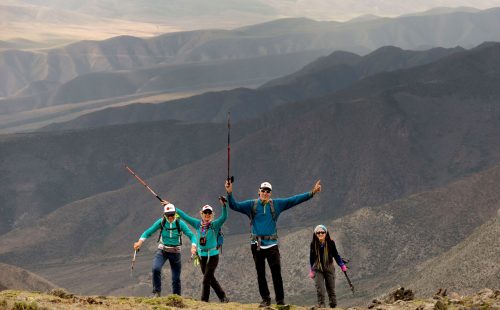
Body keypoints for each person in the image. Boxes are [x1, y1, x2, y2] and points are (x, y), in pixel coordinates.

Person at [225, 179, 321, 307]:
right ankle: (266, 299)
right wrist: (229, 193)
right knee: (260, 274)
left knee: (276, 274)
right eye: (263, 190)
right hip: (257, 245)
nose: (265, 193)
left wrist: (312, 192)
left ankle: (280, 301)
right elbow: (234, 205)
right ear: (259, 192)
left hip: (272, 245)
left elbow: (294, 200)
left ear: (270, 193)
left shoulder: (276, 204)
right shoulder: (251, 205)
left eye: (268, 191)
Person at [172, 197, 229, 303]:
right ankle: (223, 297)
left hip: (213, 255)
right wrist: (171, 207)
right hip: (201, 255)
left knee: (206, 279)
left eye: (209, 213)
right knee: (210, 278)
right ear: (201, 213)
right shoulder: (197, 224)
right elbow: (184, 216)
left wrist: (224, 206)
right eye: (205, 212)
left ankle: (204, 301)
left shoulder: (215, 225)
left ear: (212, 214)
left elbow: (224, 217)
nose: (207, 215)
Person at [133, 203, 197, 297]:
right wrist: (139, 242)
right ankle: (157, 292)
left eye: (172, 215)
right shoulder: (161, 222)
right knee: (155, 268)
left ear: (175, 214)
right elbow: (148, 232)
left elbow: (192, 235)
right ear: (164, 215)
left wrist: (193, 246)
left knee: (176, 278)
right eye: (168, 215)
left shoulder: (180, 223)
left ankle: (176, 298)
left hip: (175, 253)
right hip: (162, 251)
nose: (170, 217)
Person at [309, 224, 347, 308]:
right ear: (315, 234)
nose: (320, 234)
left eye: (322, 232)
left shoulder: (331, 243)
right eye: (318, 233)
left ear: (326, 233)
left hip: (329, 266)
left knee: (331, 288)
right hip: (317, 268)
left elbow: (336, 255)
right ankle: (322, 306)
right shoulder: (313, 244)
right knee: (320, 289)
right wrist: (311, 270)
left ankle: (333, 305)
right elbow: (311, 258)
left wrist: (342, 265)